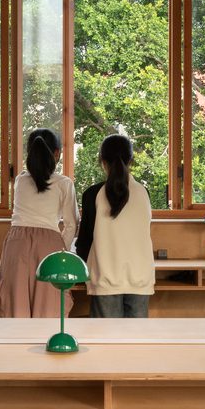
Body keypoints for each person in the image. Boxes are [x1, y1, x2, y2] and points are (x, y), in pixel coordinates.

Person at [0, 129, 78, 317]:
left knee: (16, 303)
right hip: (49, 243)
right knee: (49, 304)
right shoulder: (64, 183)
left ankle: (15, 345)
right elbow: (72, 224)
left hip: (16, 242)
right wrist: (60, 249)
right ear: (57, 153)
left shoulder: (20, 181)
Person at [74, 134, 154, 318]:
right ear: (131, 160)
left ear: (101, 160)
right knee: (136, 342)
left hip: (105, 277)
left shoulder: (92, 194)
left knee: (106, 341)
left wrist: (85, 266)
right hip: (140, 277)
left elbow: (84, 241)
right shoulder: (144, 193)